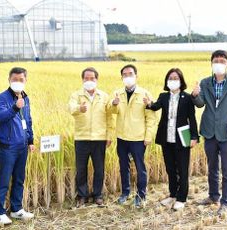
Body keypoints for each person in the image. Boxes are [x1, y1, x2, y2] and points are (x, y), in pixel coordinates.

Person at [144, 68, 199, 210]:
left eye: (175, 78)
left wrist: (194, 137)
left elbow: (191, 119)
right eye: (170, 78)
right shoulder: (163, 96)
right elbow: (155, 107)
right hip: (166, 138)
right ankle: (172, 194)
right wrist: (149, 103)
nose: (173, 81)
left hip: (182, 138)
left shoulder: (187, 98)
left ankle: (182, 198)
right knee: (170, 168)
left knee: (182, 169)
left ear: (181, 81)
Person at [192, 50, 227, 215]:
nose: (219, 63)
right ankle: (213, 196)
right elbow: (199, 104)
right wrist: (195, 94)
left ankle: (225, 202)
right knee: (212, 167)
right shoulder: (205, 83)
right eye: (216, 60)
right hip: (209, 131)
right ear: (211, 63)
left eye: (222, 60)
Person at [0, 67, 35, 225]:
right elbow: (1, 117)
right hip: (8, 147)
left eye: (21, 79)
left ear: (25, 80)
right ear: (9, 80)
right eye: (14, 79)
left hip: (22, 146)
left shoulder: (26, 98)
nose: (18, 82)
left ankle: (17, 209)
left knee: (19, 179)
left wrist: (30, 140)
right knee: (4, 180)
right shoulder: (1, 98)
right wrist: (15, 107)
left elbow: (28, 120)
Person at [111, 64, 156, 207]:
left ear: (136, 76)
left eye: (130, 74)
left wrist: (148, 136)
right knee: (123, 166)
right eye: (125, 75)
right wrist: (114, 104)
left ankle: (141, 195)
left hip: (138, 138)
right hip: (122, 137)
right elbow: (112, 112)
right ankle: (125, 192)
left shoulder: (145, 94)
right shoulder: (118, 94)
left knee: (139, 166)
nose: (127, 77)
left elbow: (151, 118)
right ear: (122, 77)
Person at [69, 67, 114, 207]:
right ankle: (82, 196)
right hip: (81, 138)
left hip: (99, 139)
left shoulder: (104, 96)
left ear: (96, 79)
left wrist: (109, 135)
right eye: (86, 78)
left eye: (92, 78)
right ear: (82, 79)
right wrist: (79, 109)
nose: (89, 81)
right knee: (81, 169)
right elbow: (71, 108)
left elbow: (110, 117)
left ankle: (97, 195)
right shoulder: (76, 95)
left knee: (99, 169)